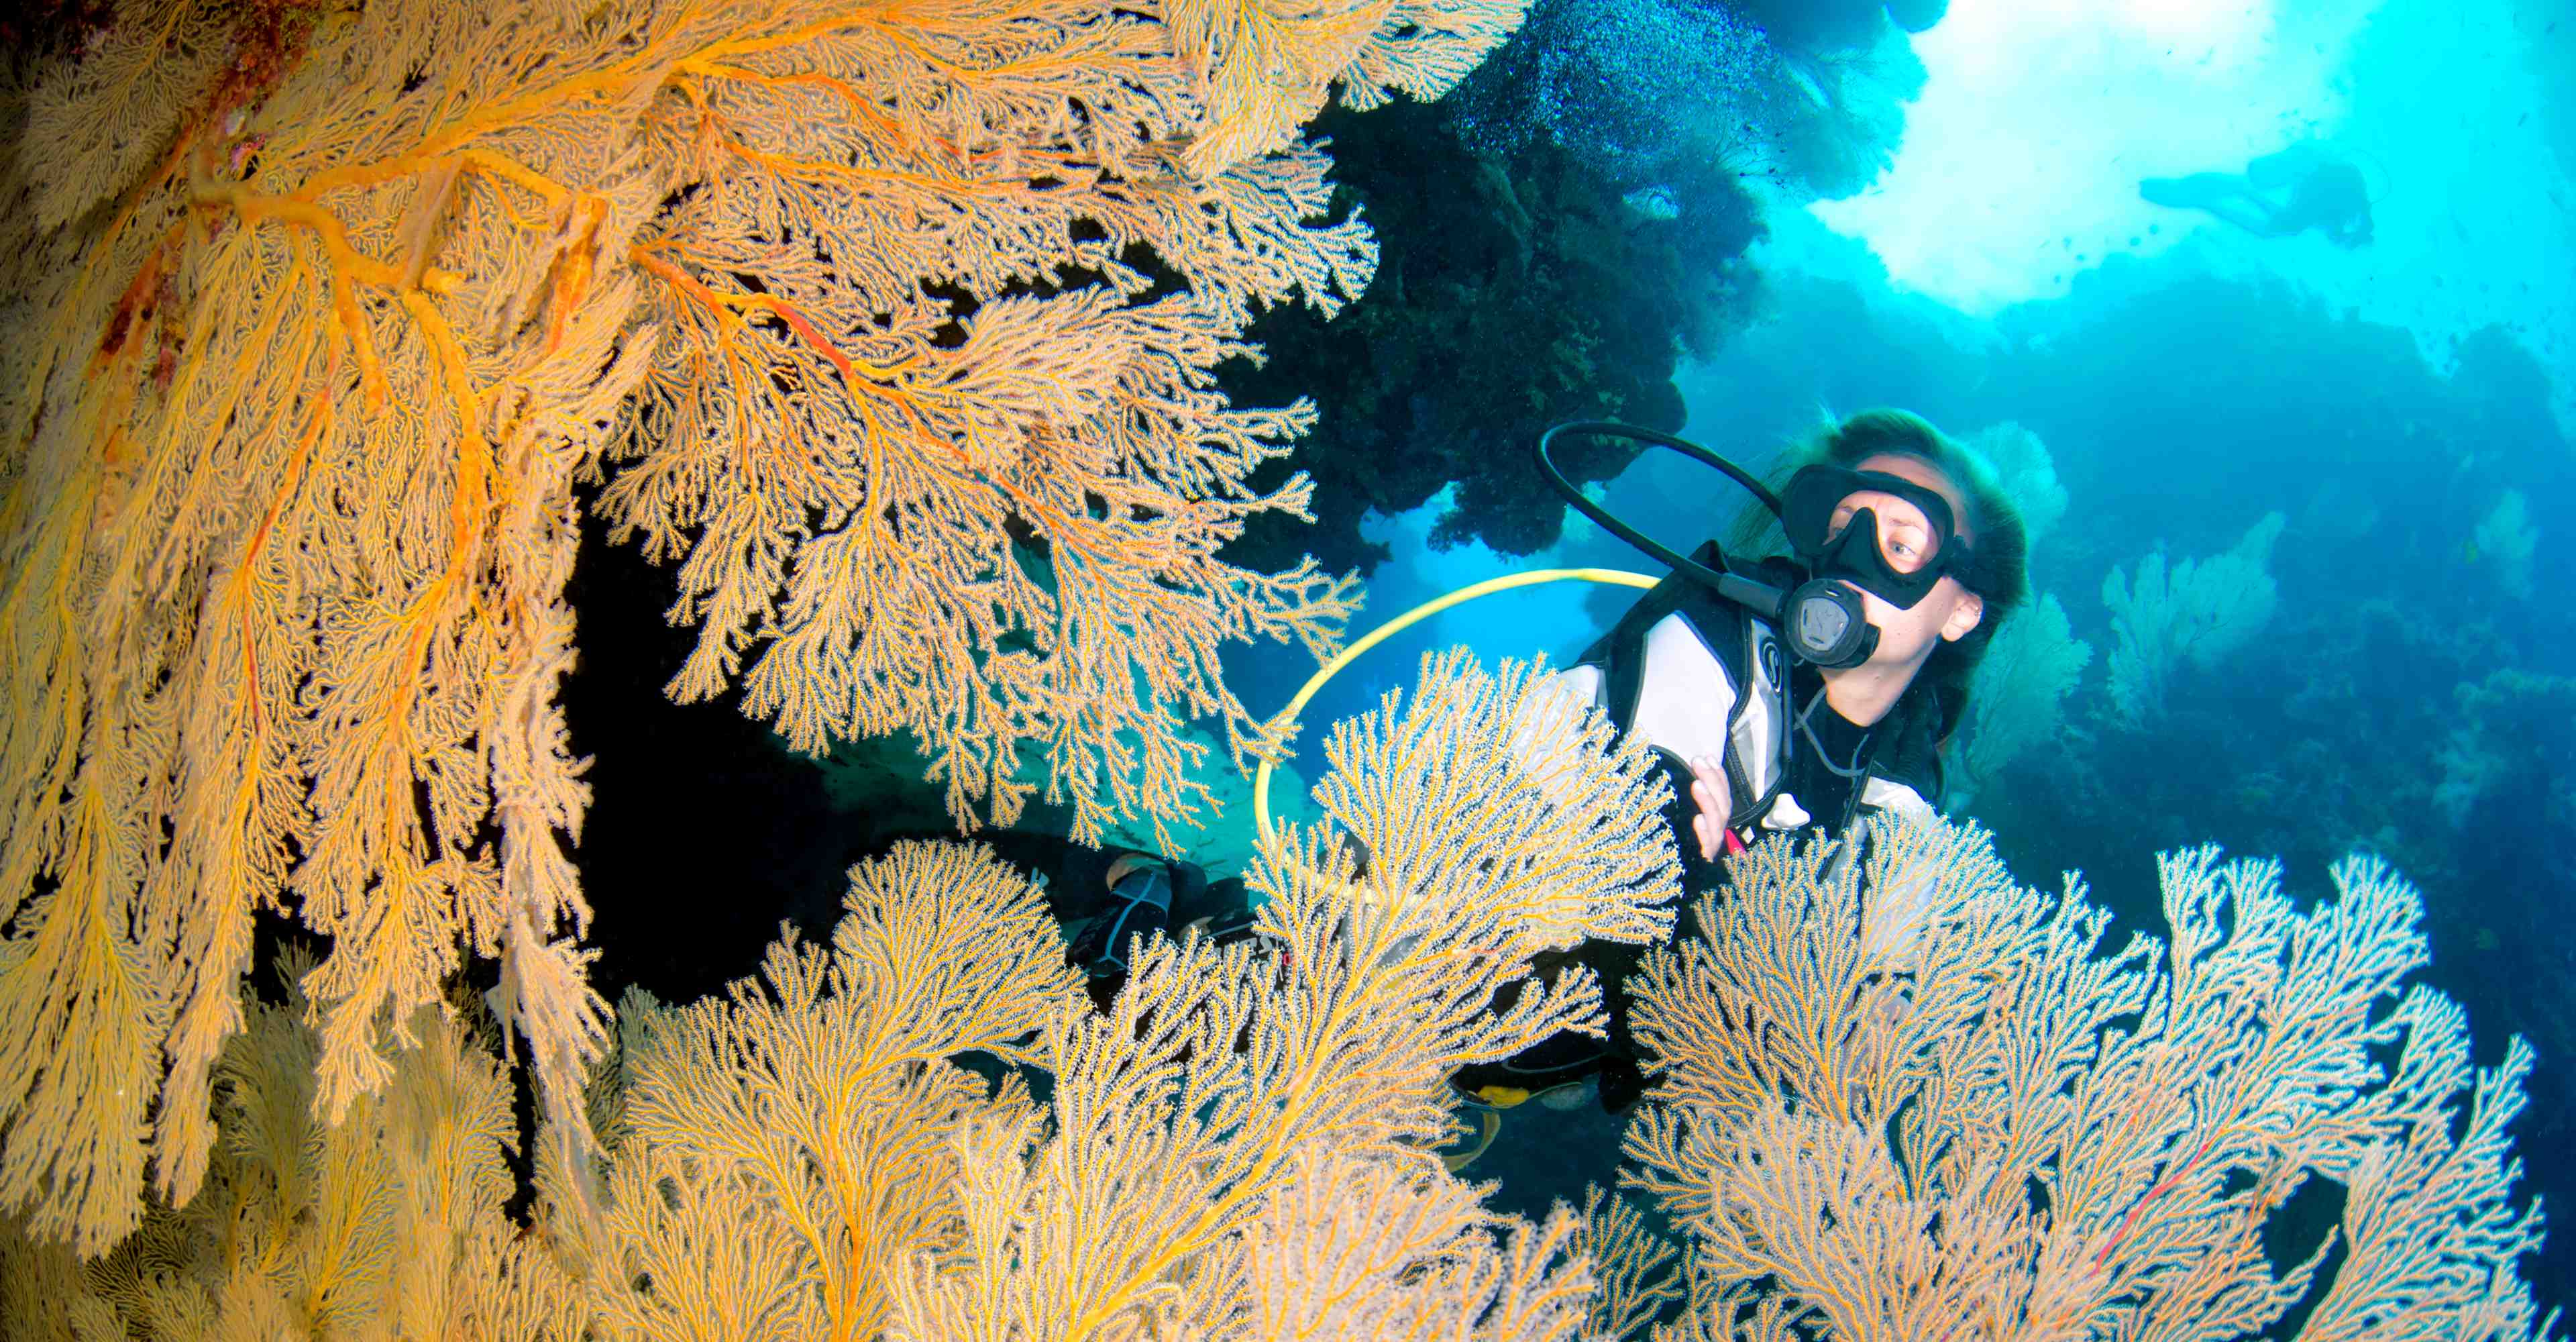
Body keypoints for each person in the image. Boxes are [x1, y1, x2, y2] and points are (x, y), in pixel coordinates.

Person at [1450, 409, 2033, 1121]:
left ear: (1962, 610)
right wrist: (1693, 847)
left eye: (1900, 543)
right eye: (1844, 522)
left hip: (1576, 1036)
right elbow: (1630, 778)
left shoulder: (1908, 795)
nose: (1852, 559)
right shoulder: (1713, 630)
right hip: (1438, 945)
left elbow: (1862, 1017)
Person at [2139, 141, 2373, 248]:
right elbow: (2278, 223)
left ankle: (2197, 195)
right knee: (2255, 184)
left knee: (2252, 182)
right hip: (2315, 169)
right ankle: (2200, 197)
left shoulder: (2342, 210)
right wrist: (2217, 204)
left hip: (2312, 163)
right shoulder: (2335, 214)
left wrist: (2246, 195)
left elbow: (2280, 218)